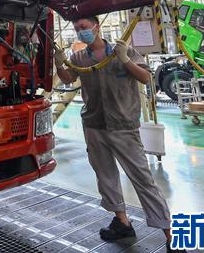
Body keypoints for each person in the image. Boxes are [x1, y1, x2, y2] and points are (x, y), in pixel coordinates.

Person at [54, 16, 184, 253]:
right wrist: (59, 64)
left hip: (123, 125)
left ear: (97, 27)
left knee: (142, 179)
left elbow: (145, 78)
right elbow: (68, 79)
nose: (80, 31)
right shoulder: (79, 58)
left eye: (83, 27)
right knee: (105, 176)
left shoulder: (124, 50)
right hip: (94, 124)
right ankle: (122, 222)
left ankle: (170, 234)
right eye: (76, 28)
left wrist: (125, 60)